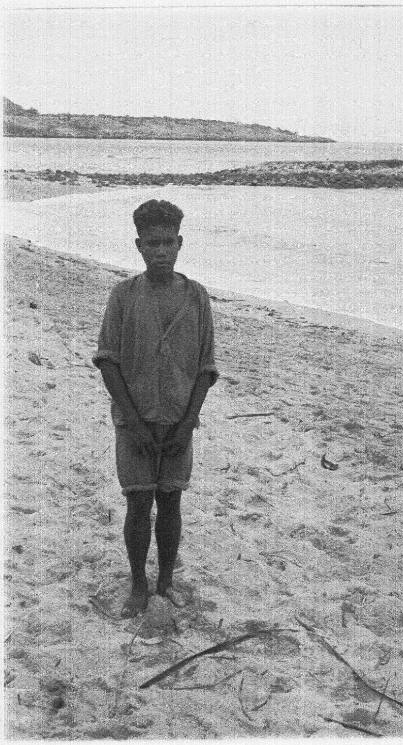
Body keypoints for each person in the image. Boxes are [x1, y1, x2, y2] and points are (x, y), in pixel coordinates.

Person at [92, 199, 218, 618]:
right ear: (139, 246)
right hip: (134, 422)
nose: (161, 251)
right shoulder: (123, 295)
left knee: (171, 504)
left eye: (168, 243)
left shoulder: (197, 297)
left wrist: (187, 424)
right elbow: (108, 360)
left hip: (179, 422)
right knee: (137, 504)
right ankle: (138, 583)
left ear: (180, 243)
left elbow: (205, 367)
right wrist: (133, 421)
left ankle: (165, 579)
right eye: (152, 244)